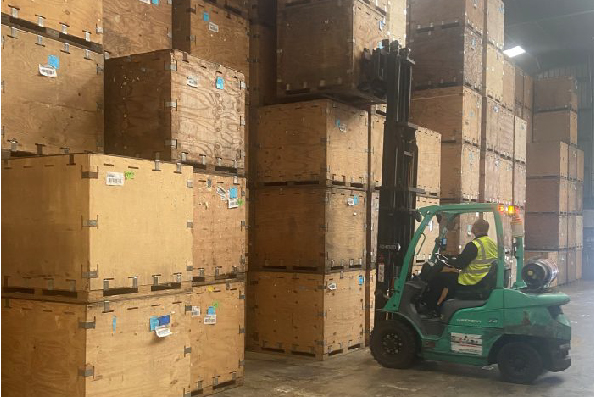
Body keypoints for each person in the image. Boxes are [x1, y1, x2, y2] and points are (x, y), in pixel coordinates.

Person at [423, 218, 498, 315]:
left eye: (473, 226)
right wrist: (453, 259)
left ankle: (430, 307)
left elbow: (460, 264)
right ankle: (442, 308)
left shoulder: (474, 245)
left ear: (475, 228)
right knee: (449, 280)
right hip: (483, 278)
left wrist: (449, 261)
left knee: (439, 278)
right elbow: (469, 258)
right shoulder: (492, 244)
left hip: (471, 280)